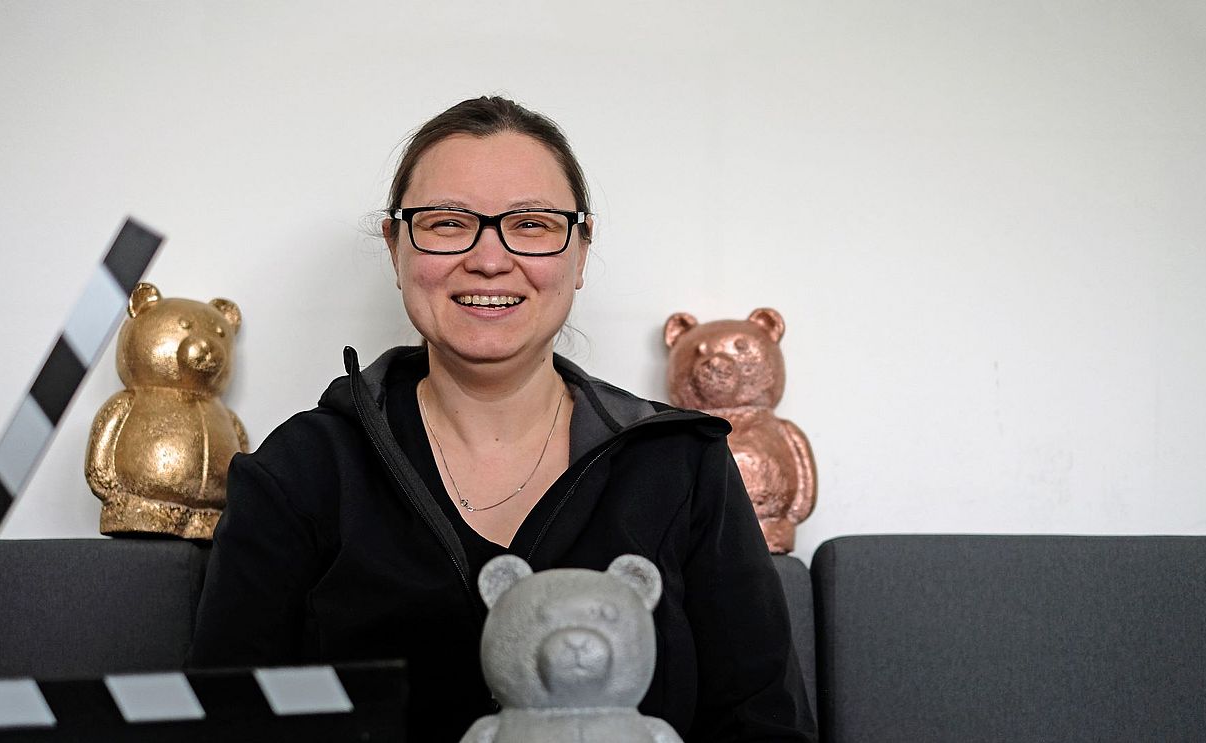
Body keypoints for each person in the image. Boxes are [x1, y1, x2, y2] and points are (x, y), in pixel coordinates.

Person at [187, 96, 816, 741]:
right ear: (396, 247)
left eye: (532, 224)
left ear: (580, 251)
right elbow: (224, 724)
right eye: (446, 222)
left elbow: (765, 726)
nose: (489, 259)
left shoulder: (683, 465)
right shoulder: (300, 471)